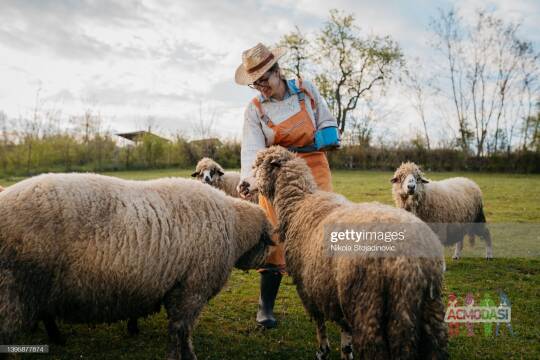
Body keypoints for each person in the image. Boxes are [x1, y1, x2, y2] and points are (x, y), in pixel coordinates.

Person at [234, 43, 338, 328]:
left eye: (264, 80)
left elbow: (325, 119)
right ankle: (265, 307)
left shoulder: (305, 90)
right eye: (255, 84)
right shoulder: (254, 110)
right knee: (275, 234)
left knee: (322, 230)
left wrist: (329, 135)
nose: (261, 87)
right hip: (274, 174)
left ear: (278, 71)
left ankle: (328, 298)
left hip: (313, 167)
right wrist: (250, 180)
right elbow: (253, 151)